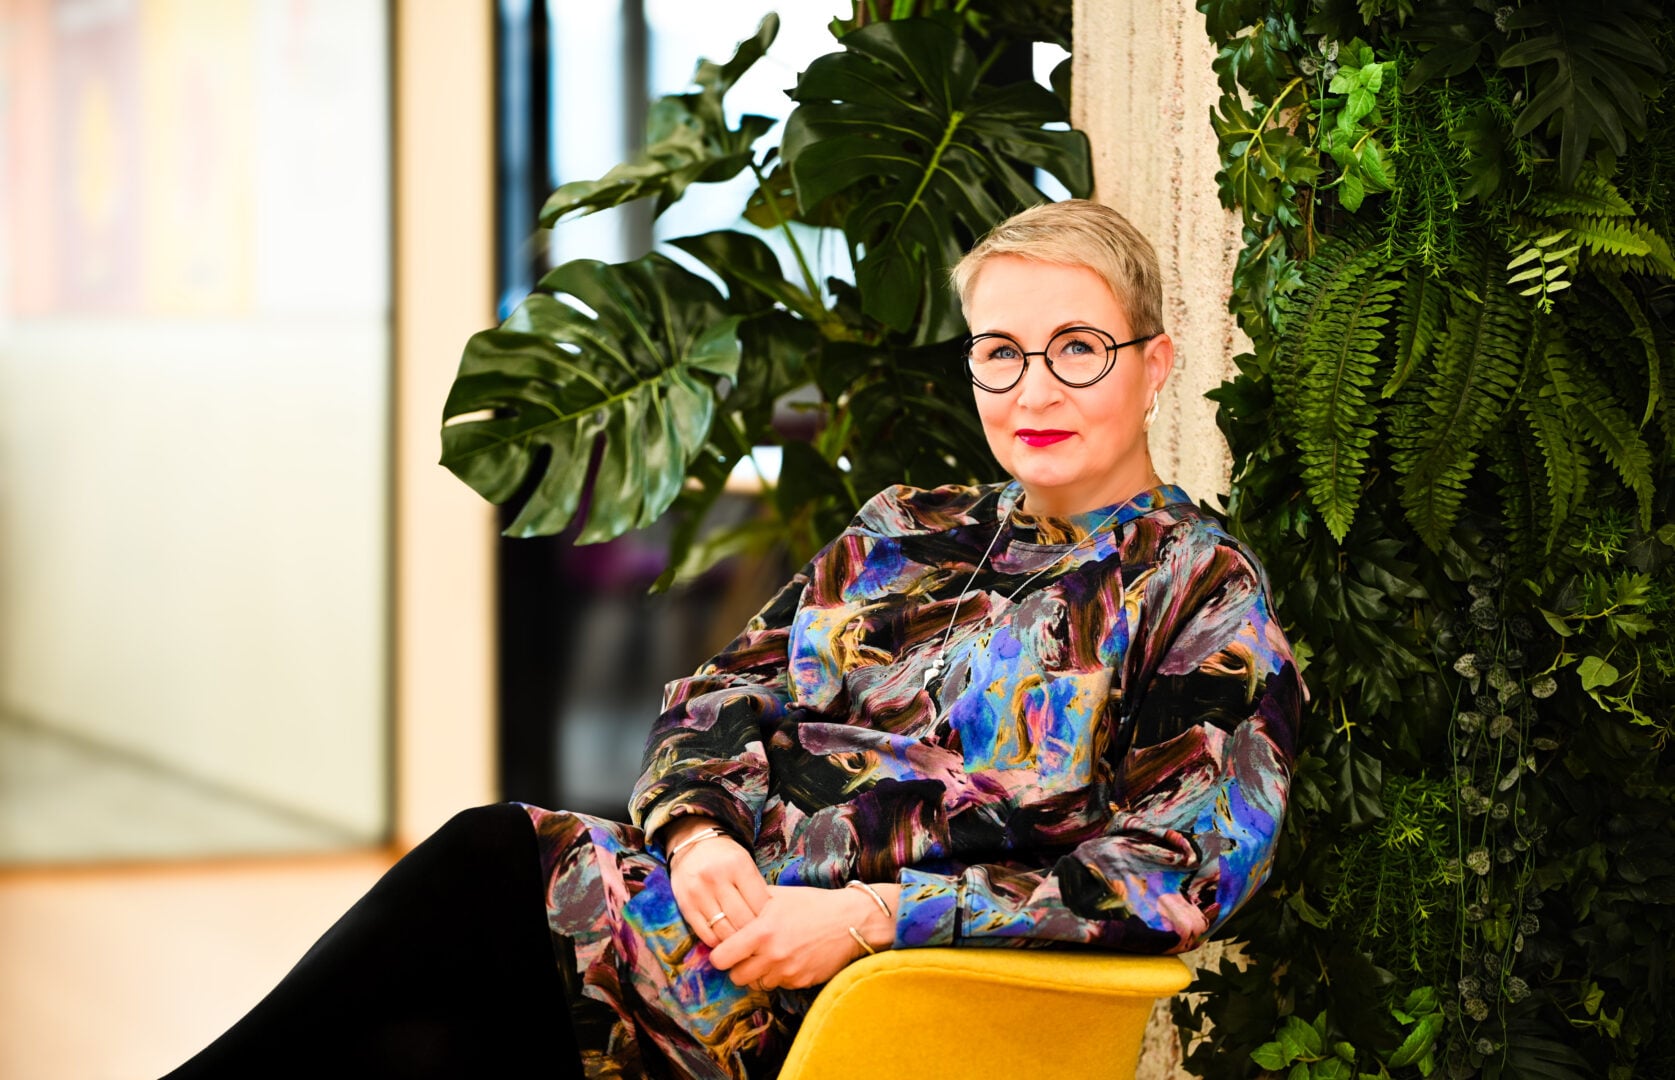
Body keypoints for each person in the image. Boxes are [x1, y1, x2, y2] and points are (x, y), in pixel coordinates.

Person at [162, 199, 1301, 1080]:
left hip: (874, 999)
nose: (1031, 390)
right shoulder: (906, 526)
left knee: (475, 904)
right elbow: (718, 696)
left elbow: (1180, 871)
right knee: (437, 1007)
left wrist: (868, 919)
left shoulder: (1197, 589)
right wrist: (699, 833)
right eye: (998, 351)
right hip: (699, 924)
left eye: (1077, 349)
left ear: (1153, 364)